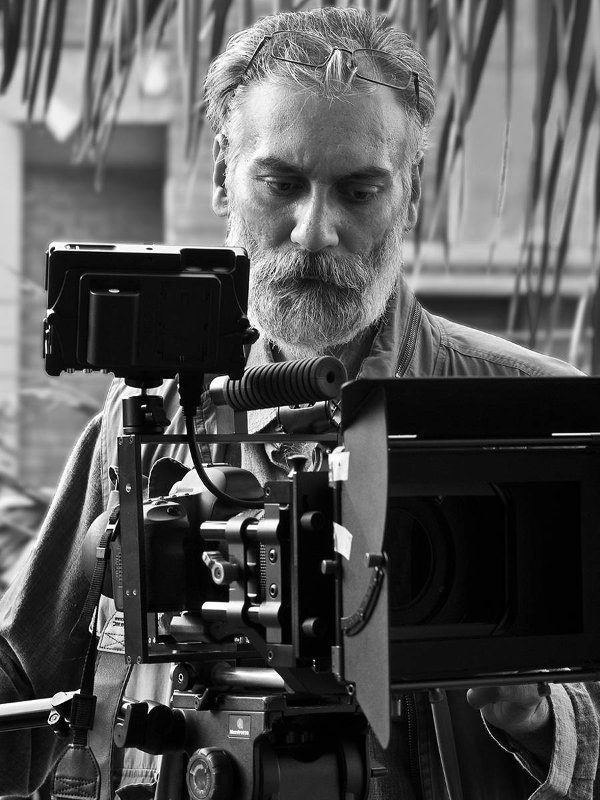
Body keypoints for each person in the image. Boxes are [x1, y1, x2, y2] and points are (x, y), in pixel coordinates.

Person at [0, 6, 598, 800]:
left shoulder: (538, 414)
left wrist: (540, 716)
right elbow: (24, 687)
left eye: (360, 190)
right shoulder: (150, 419)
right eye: (281, 184)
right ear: (223, 176)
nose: (315, 231)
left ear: (411, 193)